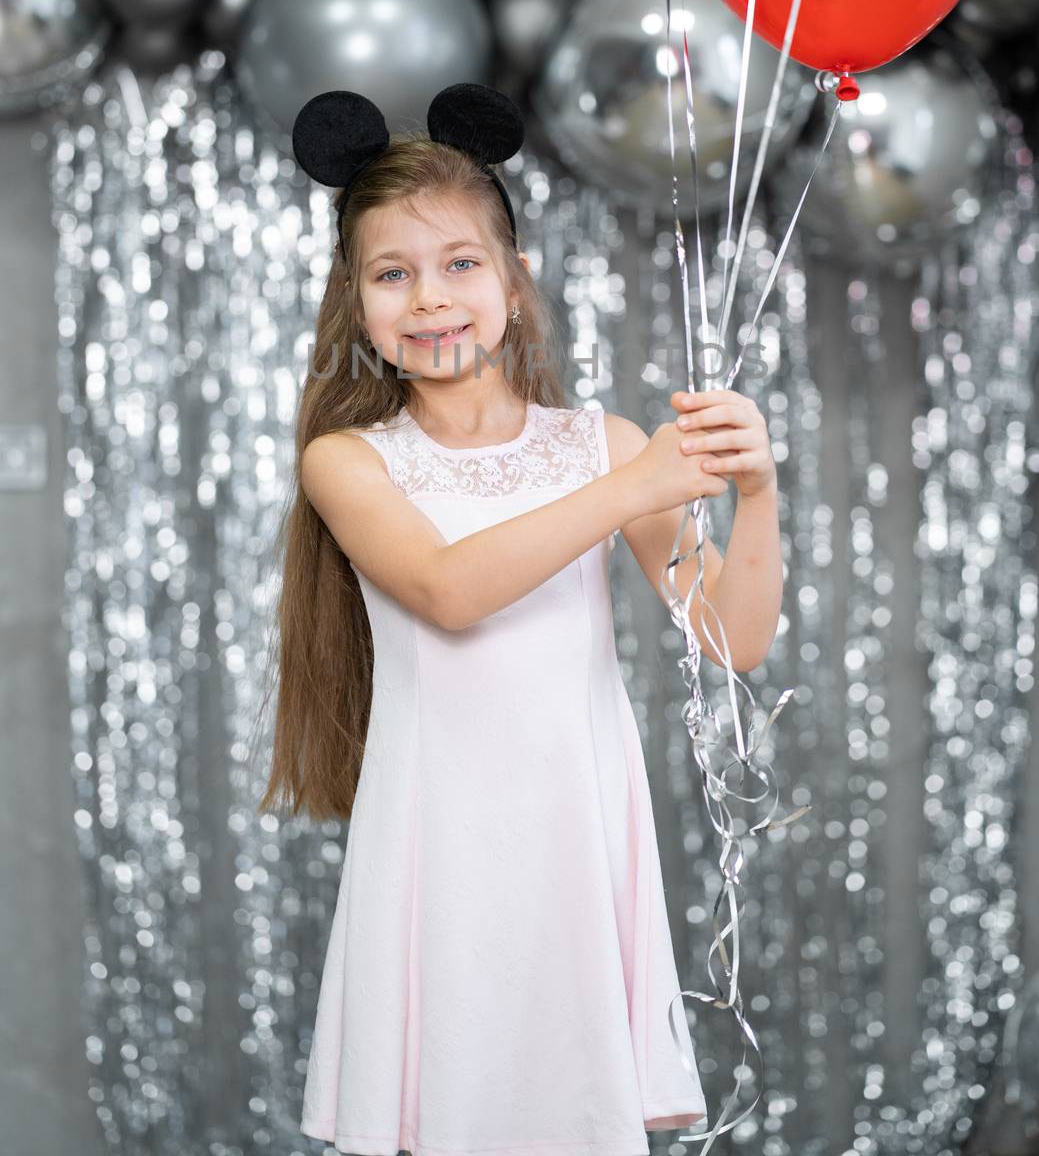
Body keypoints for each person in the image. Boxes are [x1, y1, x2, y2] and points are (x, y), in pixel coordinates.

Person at [256, 82, 783, 1156]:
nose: (431, 297)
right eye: (392, 273)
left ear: (513, 279)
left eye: (459, 263)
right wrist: (631, 486)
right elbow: (450, 590)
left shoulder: (603, 442)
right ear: (354, 300)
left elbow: (733, 635)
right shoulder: (348, 462)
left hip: (572, 837)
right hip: (440, 841)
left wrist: (758, 493)